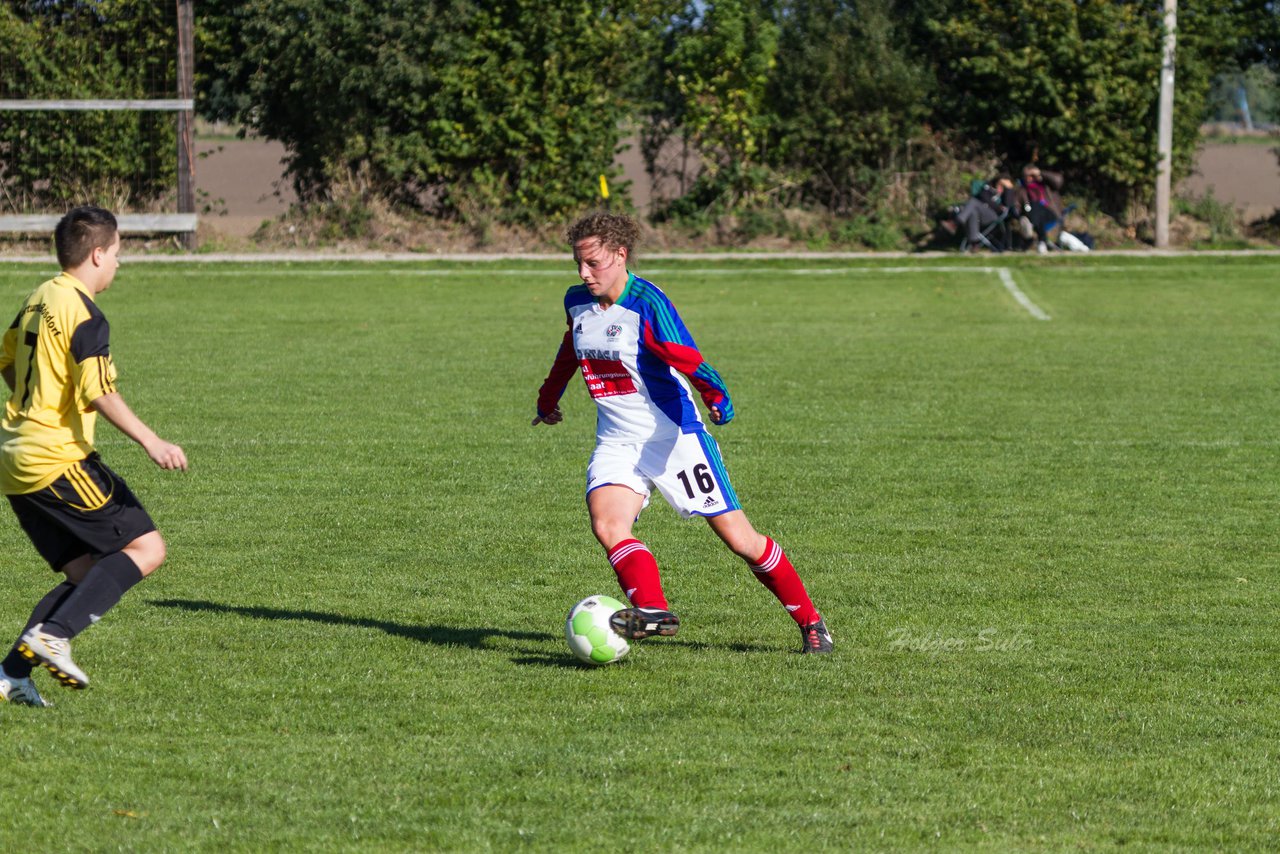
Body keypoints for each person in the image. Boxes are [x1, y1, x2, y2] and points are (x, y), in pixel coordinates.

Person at [532, 212, 833, 654]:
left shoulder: (647, 303)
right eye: (578, 262)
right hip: (616, 440)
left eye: (593, 263)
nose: (583, 273)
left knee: (741, 541)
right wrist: (548, 397)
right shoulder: (576, 301)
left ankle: (811, 622)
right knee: (608, 523)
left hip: (673, 438)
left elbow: (684, 354)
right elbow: (570, 347)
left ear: (620, 255)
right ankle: (653, 611)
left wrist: (716, 395)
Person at [0, 206, 187, 707]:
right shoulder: (83, 311)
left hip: (14, 461)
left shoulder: (40, 297)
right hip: (56, 459)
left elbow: (6, 356)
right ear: (98, 253)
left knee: (87, 576)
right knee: (147, 549)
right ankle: (55, 634)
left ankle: (11, 673)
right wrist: (153, 440)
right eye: (119, 255)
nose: (119, 266)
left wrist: (34, 400)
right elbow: (99, 390)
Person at [953, 176, 1013, 251]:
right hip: (981, 213)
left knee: (973, 201)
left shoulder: (1006, 193)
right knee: (973, 212)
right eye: (999, 184)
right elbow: (983, 196)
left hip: (993, 215)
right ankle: (974, 244)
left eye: (1002, 185)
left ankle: (955, 223)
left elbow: (1007, 205)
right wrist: (995, 203)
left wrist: (1009, 189)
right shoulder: (988, 188)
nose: (1000, 187)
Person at [1015, 165, 1065, 252]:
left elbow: (1058, 181)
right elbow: (1016, 205)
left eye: (1032, 176)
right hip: (1032, 215)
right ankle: (1042, 241)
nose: (1030, 178)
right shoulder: (1021, 190)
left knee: (1036, 207)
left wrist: (1040, 173)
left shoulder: (1046, 185)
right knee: (1034, 208)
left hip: (1049, 213)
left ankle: (1039, 241)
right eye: (1027, 176)